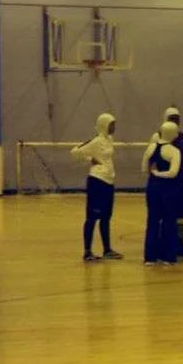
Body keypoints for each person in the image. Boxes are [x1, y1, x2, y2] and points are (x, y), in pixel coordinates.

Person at [70, 112, 124, 262]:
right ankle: (87, 251)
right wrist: (90, 159)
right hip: (97, 182)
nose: (114, 127)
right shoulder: (96, 141)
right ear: (104, 125)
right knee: (92, 217)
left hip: (109, 182)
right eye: (111, 124)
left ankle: (107, 250)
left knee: (106, 217)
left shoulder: (110, 140)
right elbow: (75, 152)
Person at [150, 107, 183, 258]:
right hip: (163, 183)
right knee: (163, 215)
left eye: (177, 118)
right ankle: (163, 246)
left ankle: (179, 245)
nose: (175, 121)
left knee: (180, 215)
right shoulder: (156, 136)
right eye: (172, 118)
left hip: (180, 182)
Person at [142, 121, 182, 266]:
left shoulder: (151, 147)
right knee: (169, 221)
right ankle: (168, 256)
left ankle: (150, 257)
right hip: (168, 188)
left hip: (152, 187)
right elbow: (173, 173)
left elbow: (144, 169)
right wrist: (159, 173)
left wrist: (154, 174)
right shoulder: (174, 151)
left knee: (152, 221)